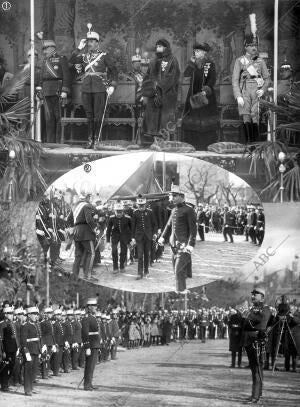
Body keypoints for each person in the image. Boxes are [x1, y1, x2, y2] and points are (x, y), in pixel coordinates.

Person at [69, 24, 118, 149]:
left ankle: (97, 140)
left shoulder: (104, 55)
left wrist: (112, 85)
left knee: (98, 115)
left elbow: (114, 71)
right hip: (86, 88)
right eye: (88, 41)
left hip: (100, 88)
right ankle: (90, 139)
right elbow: (72, 60)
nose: (89, 44)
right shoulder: (84, 56)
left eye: (92, 41)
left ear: (97, 43)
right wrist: (79, 48)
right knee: (89, 115)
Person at [232, 14, 270, 144]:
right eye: (251, 45)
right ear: (245, 46)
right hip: (245, 90)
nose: (254, 47)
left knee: (256, 117)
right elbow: (235, 80)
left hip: (257, 90)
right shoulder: (240, 61)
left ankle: (255, 144)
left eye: (255, 44)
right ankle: (248, 144)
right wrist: (238, 96)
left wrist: (263, 90)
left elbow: (267, 78)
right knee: (246, 117)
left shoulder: (260, 61)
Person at [158, 185, 197, 293]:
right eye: (171, 196)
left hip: (183, 244)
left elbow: (193, 230)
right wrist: (162, 237)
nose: (172, 198)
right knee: (176, 269)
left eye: (174, 195)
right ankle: (182, 287)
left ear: (182, 196)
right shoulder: (174, 210)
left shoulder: (189, 210)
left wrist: (191, 244)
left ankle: (181, 290)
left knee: (178, 268)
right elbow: (168, 225)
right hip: (173, 244)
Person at [142, 38, 180, 139]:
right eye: (157, 46)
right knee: (152, 119)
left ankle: (165, 140)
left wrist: (159, 87)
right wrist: (151, 88)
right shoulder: (153, 60)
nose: (158, 48)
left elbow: (173, 77)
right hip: (154, 94)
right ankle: (153, 138)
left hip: (167, 94)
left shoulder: (172, 60)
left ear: (166, 47)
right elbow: (147, 76)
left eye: (160, 46)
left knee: (165, 120)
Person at [182, 43, 217, 150]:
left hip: (205, 96)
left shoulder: (210, 64)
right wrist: (190, 63)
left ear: (203, 53)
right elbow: (185, 74)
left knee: (205, 122)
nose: (195, 53)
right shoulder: (193, 65)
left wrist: (205, 91)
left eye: (197, 51)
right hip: (193, 96)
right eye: (195, 51)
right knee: (192, 121)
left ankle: (205, 145)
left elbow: (212, 79)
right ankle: (192, 145)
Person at [241, 287, 271, 404]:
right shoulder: (253, 310)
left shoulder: (266, 309)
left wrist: (247, 315)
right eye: (252, 294)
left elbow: (261, 320)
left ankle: (255, 396)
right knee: (255, 369)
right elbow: (245, 323)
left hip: (257, 342)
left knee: (257, 369)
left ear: (262, 297)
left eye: (256, 294)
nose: (253, 296)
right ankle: (258, 394)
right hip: (249, 341)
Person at [40, 39, 71, 143]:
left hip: (58, 91)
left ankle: (58, 142)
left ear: (52, 48)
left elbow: (67, 76)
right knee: (48, 118)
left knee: (58, 118)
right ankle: (50, 141)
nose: (44, 51)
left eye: (46, 49)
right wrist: (40, 92)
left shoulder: (61, 59)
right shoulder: (44, 61)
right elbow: (41, 78)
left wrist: (65, 90)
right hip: (46, 91)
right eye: (44, 49)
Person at [70, 192, 97, 281]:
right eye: (90, 197)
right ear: (87, 197)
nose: (91, 199)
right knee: (91, 253)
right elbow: (88, 219)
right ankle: (87, 276)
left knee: (78, 255)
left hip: (76, 231)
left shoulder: (76, 207)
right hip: (86, 232)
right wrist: (95, 228)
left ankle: (75, 276)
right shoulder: (87, 206)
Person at [131, 196, 157, 280]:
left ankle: (146, 271)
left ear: (145, 204)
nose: (141, 206)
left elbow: (154, 224)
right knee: (140, 255)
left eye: (142, 205)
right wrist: (133, 238)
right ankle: (139, 273)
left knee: (146, 254)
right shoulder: (135, 213)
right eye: (139, 205)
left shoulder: (150, 212)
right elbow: (133, 226)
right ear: (137, 205)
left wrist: (154, 233)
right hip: (139, 237)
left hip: (148, 237)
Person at [20, 306, 41, 396]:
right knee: (28, 370)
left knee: (33, 370)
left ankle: (31, 387)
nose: (36, 316)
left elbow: (38, 338)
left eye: (36, 314)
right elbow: (23, 340)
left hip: (36, 349)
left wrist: (40, 349)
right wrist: (26, 351)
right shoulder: (25, 325)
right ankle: (27, 389)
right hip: (29, 350)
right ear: (29, 315)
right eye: (34, 314)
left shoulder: (36, 325)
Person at [106, 202, 132, 273]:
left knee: (124, 251)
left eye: (120, 212)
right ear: (114, 211)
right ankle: (115, 267)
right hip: (115, 236)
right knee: (114, 251)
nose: (119, 213)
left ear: (123, 211)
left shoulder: (128, 218)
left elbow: (131, 229)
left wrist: (131, 239)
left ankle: (122, 266)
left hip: (124, 236)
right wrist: (108, 241)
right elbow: (108, 230)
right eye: (117, 212)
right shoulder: (111, 218)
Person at [81, 298, 101, 391]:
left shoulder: (93, 318)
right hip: (91, 345)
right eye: (93, 306)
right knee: (89, 365)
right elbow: (85, 334)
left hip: (95, 344)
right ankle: (86, 385)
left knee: (92, 365)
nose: (95, 307)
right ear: (89, 307)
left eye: (96, 306)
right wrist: (87, 346)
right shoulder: (86, 319)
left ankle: (89, 383)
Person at [0, 306, 18, 392]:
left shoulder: (12, 323)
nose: (12, 315)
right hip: (6, 349)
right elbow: (1, 339)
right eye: (10, 313)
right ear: (5, 314)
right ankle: (4, 385)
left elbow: (15, 337)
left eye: (12, 313)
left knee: (12, 365)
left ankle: (6, 382)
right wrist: (2, 351)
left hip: (13, 348)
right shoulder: (2, 324)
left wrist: (17, 347)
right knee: (5, 366)